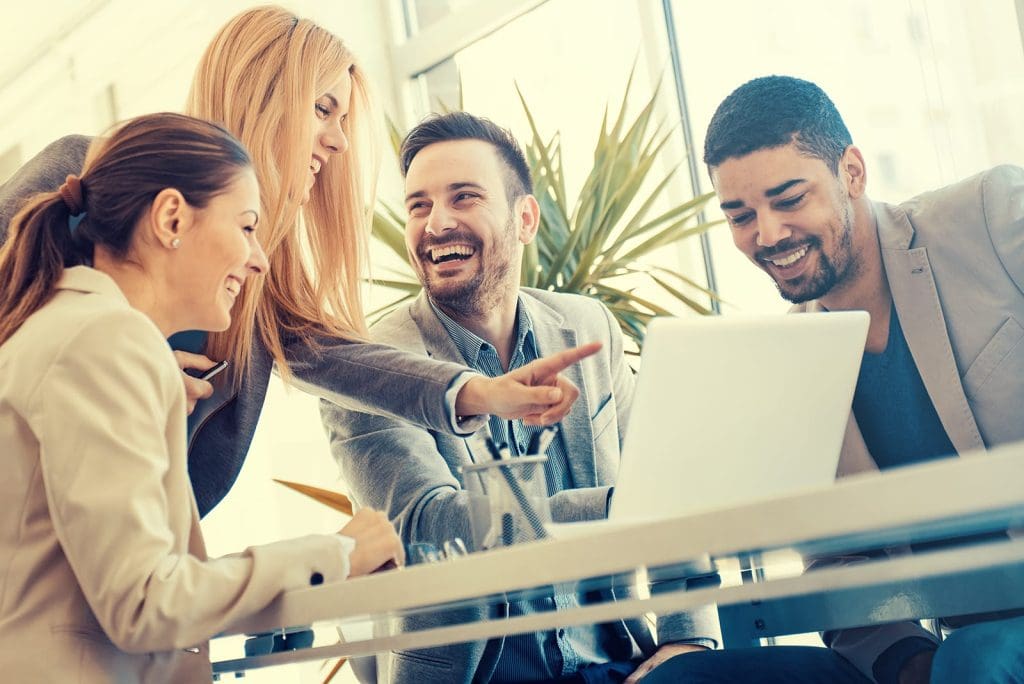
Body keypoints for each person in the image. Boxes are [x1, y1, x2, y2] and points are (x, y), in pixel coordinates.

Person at [0, 5, 596, 519]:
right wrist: (122, 357)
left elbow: (341, 359)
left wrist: (480, 394)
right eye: (323, 108)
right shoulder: (85, 173)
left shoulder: (254, 273)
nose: (337, 141)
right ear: (262, 97)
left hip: (130, 565)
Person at [321, 111, 726, 684]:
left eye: (464, 197)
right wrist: (614, 509)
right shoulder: (370, 364)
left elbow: (660, 477)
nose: (436, 223)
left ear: (525, 219)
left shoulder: (589, 328)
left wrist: (687, 638)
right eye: (419, 205)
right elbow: (427, 531)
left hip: (619, 665)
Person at [0, 112, 406, 682]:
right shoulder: (104, 340)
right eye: (245, 227)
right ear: (171, 218)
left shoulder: (66, 328)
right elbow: (145, 605)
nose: (260, 258)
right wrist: (334, 556)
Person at [651, 75, 1024, 684]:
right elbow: (837, 561)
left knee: (974, 659)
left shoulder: (989, 215)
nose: (767, 235)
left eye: (790, 199)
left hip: (983, 651)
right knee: (683, 681)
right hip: (944, 651)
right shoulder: (790, 359)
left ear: (851, 171)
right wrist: (909, 663)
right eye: (741, 215)